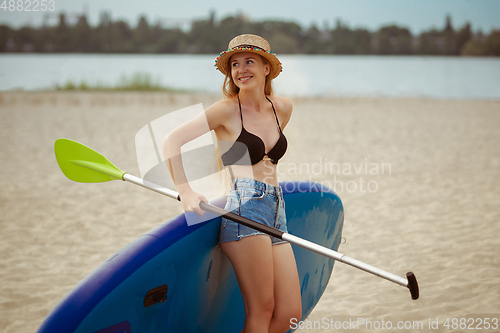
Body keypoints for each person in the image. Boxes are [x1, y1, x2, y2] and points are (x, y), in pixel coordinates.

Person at [162, 34, 302, 333]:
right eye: (235, 65)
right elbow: (172, 140)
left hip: (277, 208)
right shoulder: (225, 110)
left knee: (290, 313)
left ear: (267, 68)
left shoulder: (283, 109)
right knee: (261, 310)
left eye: (249, 61)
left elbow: (268, 160)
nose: (241, 70)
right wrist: (184, 189)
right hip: (245, 209)